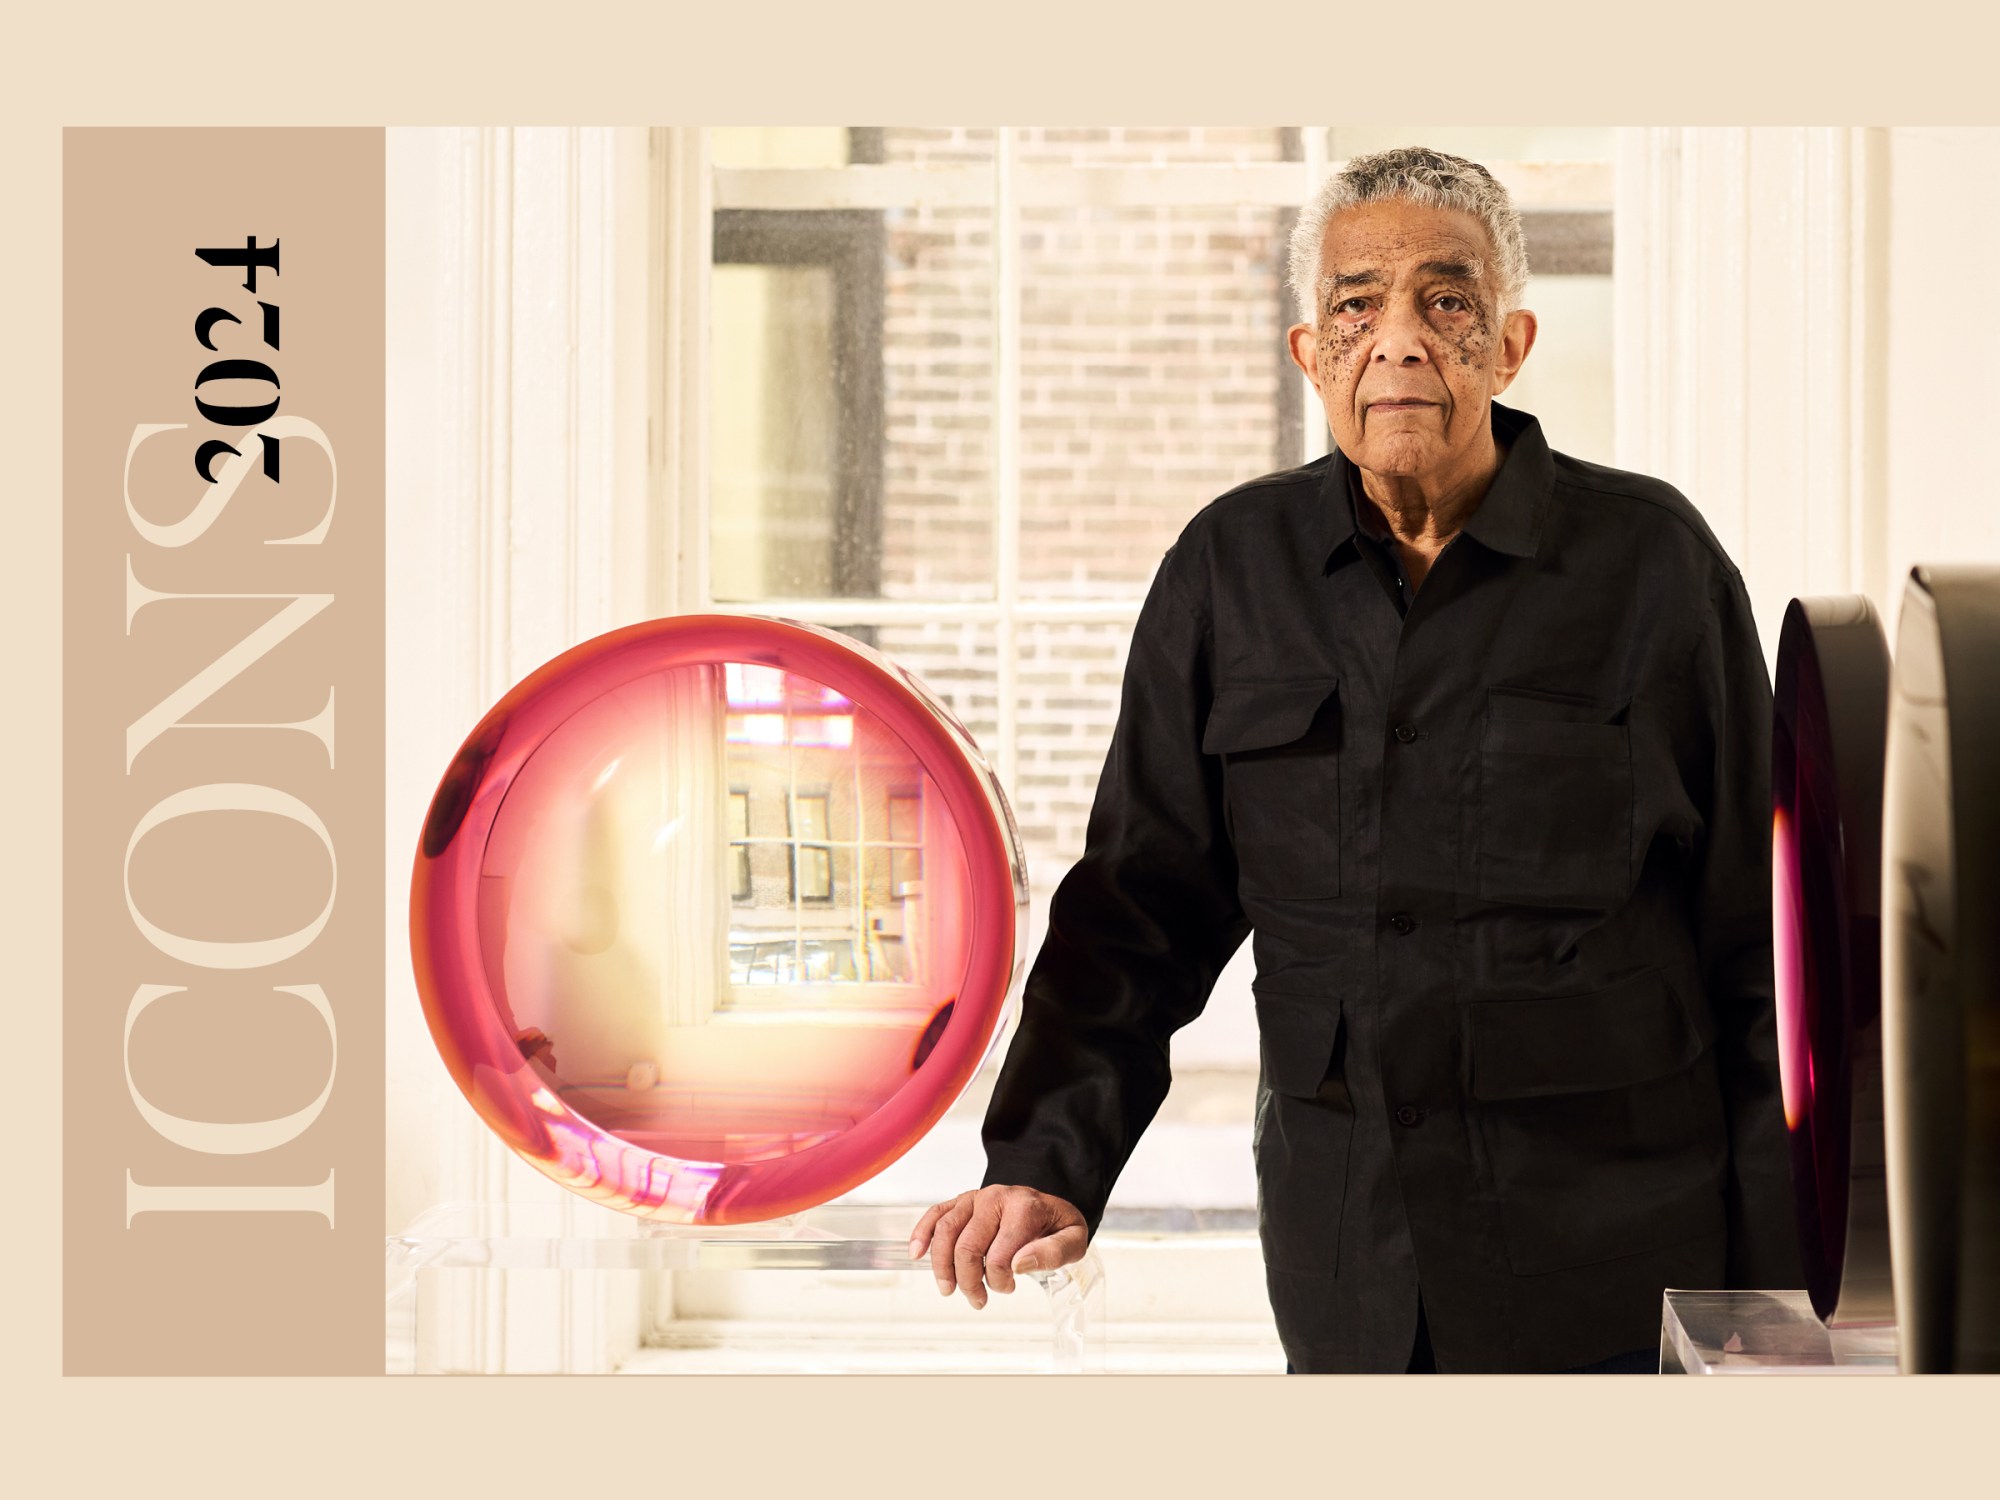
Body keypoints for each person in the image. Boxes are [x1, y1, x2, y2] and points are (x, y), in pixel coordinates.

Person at [907, 146, 1803, 1373]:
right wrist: (1045, 1162)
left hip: (1616, 1252)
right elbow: (1137, 908)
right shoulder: (1229, 572)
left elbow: (1758, 945)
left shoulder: (1654, 567)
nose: (1398, 341)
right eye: (1353, 305)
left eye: (1445, 301)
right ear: (1308, 355)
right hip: (1351, 1257)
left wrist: (1782, 1292)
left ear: (1508, 342)